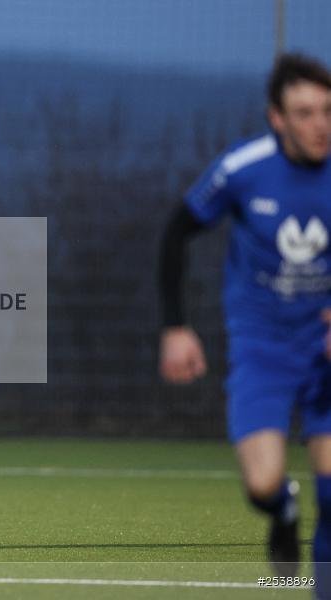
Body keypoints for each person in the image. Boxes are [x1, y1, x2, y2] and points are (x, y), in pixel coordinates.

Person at [158, 53, 331, 585]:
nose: (319, 124)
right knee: (262, 482)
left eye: (327, 110)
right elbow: (176, 234)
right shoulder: (244, 168)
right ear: (276, 118)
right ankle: (281, 510)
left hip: (325, 351)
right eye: (303, 112)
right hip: (263, 351)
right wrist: (177, 327)